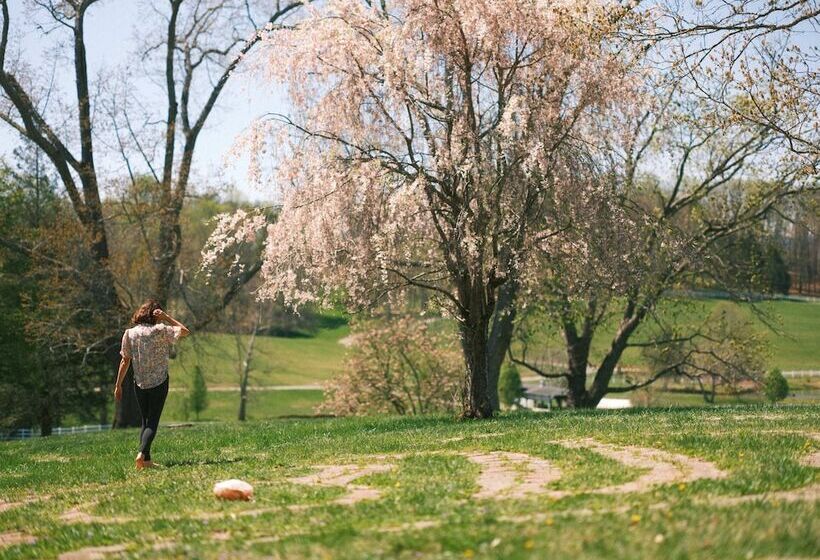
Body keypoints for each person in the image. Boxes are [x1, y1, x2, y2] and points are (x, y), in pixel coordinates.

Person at [114, 299, 190, 469]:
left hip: (140, 383)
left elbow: (125, 360)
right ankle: (141, 453)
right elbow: (185, 331)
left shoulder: (129, 333)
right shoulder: (161, 330)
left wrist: (118, 385)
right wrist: (166, 317)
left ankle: (146, 462)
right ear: (155, 315)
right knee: (153, 421)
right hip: (159, 381)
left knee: (145, 420)